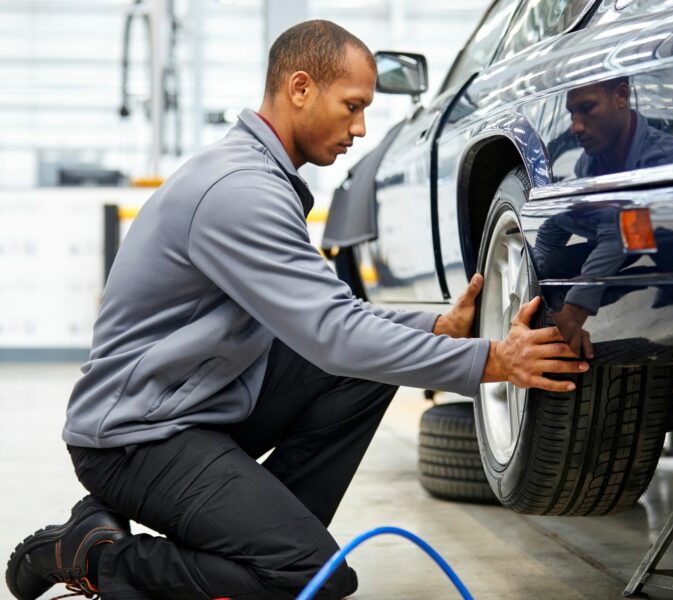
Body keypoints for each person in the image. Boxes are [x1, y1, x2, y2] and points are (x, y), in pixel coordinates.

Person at [6, 20, 587, 600]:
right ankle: (95, 556)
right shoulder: (240, 191)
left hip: (199, 401)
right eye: (353, 106)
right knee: (311, 580)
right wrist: (492, 360)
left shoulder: (259, 178)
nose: (360, 129)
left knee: (364, 373)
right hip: (136, 436)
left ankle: (271, 538)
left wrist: (439, 328)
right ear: (300, 88)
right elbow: (335, 333)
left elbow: (330, 315)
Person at [567, 77, 673, 178]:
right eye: (572, 113)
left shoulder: (662, 155)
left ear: (621, 96)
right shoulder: (585, 163)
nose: (575, 128)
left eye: (587, 108)